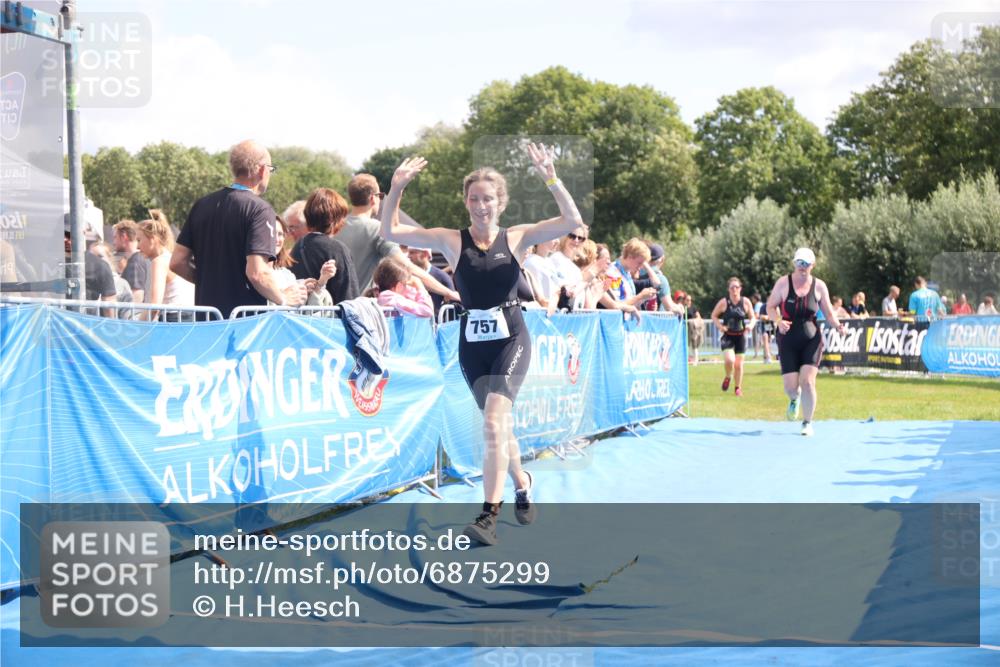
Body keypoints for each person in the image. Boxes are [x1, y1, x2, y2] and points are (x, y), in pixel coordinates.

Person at [379, 143, 585, 545]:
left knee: (493, 420)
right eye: (474, 198)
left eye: (487, 198)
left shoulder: (520, 237)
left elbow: (571, 219)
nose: (480, 205)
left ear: (500, 202)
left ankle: (488, 516)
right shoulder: (450, 240)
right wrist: (396, 188)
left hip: (511, 338)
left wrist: (551, 176)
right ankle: (522, 481)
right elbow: (389, 231)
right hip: (472, 342)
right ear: (466, 202)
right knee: (498, 428)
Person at [171, 139, 307, 318]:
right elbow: (257, 273)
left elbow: (177, 262)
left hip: (207, 320)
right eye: (271, 170)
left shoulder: (201, 205)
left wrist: (210, 283)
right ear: (262, 169)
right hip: (244, 324)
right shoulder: (259, 209)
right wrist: (283, 299)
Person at [766, 247, 846, 437]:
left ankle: (807, 422)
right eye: (799, 263)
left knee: (808, 381)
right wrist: (778, 321)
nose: (802, 267)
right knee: (791, 388)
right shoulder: (783, 283)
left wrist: (838, 326)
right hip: (787, 340)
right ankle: (795, 398)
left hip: (811, 339)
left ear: (813, 265)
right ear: (794, 264)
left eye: (806, 264)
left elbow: (828, 312)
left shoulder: (819, 286)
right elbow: (770, 307)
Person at [291, 188, 360, 304]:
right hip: (330, 319)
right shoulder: (337, 249)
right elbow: (350, 296)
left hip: (300, 318)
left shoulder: (298, 246)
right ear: (336, 219)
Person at [137, 216, 195, 321]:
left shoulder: (159, 261)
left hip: (174, 320)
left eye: (139, 240)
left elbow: (155, 306)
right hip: (188, 318)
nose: (137, 246)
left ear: (152, 239)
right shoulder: (171, 258)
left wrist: (137, 328)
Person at [711, 277, 755, 397]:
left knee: (739, 365)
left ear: (740, 289)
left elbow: (753, 317)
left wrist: (750, 325)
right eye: (732, 287)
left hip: (741, 336)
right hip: (728, 336)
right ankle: (728, 376)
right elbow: (714, 315)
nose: (734, 289)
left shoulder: (745, 302)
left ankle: (737, 388)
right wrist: (720, 326)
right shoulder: (724, 302)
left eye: (736, 287)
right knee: (730, 360)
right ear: (728, 289)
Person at [112, 219, 149, 303]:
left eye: (115, 237)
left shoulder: (135, 261)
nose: (114, 242)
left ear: (124, 237)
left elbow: (137, 295)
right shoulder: (137, 259)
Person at [684, 292, 704, 365]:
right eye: (687, 300)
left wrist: (692, 321)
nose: (689, 301)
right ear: (684, 300)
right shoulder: (683, 308)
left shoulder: (693, 308)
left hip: (693, 330)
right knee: (686, 345)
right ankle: (685, 360)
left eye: (690, 300)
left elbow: (699, 317)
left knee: (694, 345)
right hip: (684, 329)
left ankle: (695, 361)